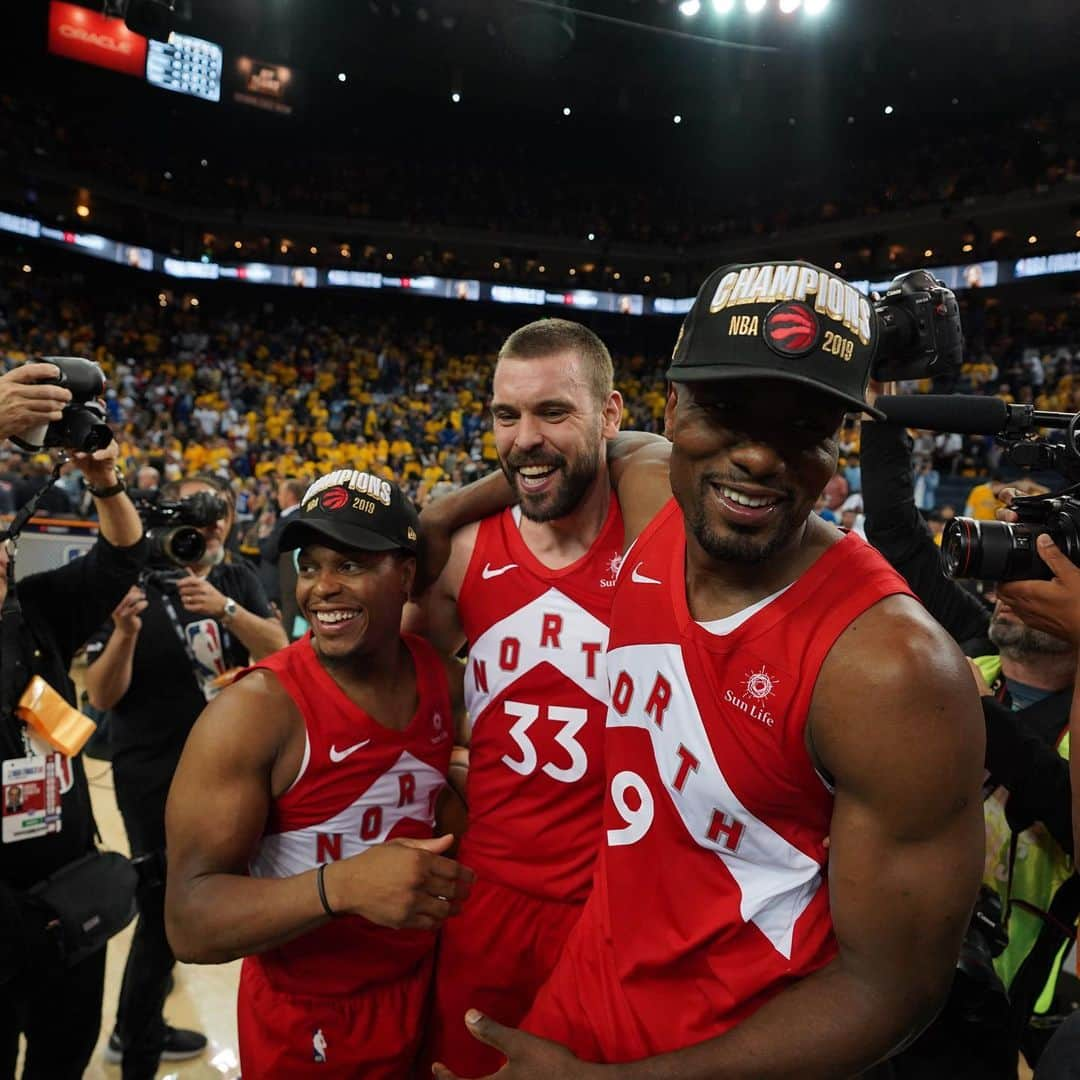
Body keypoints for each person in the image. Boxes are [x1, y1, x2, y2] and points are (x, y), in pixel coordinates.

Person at [434, 260, 986, 1079]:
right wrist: (444, 510)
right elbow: (581, 446)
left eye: (805, 424)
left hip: (738, 1046)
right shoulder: (658, 497)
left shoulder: (894, 670)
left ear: (839, 437)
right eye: (725, 409)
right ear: (673, 410)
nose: (760, 456)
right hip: (590, 985)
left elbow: (890, 989)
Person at [164, 471, 474, 1078]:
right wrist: (341, 887)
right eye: (311, 566)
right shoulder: (252, 713)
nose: (322, 589)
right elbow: (189, 921)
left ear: (406, 575)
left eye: (351, 565)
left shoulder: (442, 676)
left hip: (425, 983)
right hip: (309, 1017)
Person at [408, 318, 627, 1077]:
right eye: (507, 415)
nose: (524, 436)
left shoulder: (663, 543)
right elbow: (404, 696)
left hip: (619, 903)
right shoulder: (463, 556)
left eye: (552, 412)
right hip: (488, 897)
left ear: (611, 416)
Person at [861, 395, 1078, 1075]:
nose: (1011, 585)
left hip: (1025, 1006)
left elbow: (1060, 798)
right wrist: (884, 414)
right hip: (914, 982)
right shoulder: (971, 645)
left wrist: (969, 710)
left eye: (1039, 570)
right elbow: (895, 533)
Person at [84, 473, 287, 1080]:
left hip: (228, 769)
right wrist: (124, 632)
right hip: (151, 769)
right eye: (198, 515)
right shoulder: (129, 578)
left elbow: (279, 649)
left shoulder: (230, 577)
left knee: (202, 899)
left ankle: (137, 1024)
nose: (211, 527)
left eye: (219, 514)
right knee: (162, 911)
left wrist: (225, 609)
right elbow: (101, 693)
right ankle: (135, 1047)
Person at [0, 406, 147, 1077]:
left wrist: (106, 479)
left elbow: (119, 560)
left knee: (64, 1060)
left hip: (70, 907)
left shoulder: (32, 610)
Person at [258, 476, 306, 635]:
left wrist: (264, 534)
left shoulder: (288, 520)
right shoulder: (303, 515)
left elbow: (269, 552)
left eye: (280, 493)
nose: (277, 497)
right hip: (297, 584)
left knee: (290, 630)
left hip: (285, 587)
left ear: (290, 495)